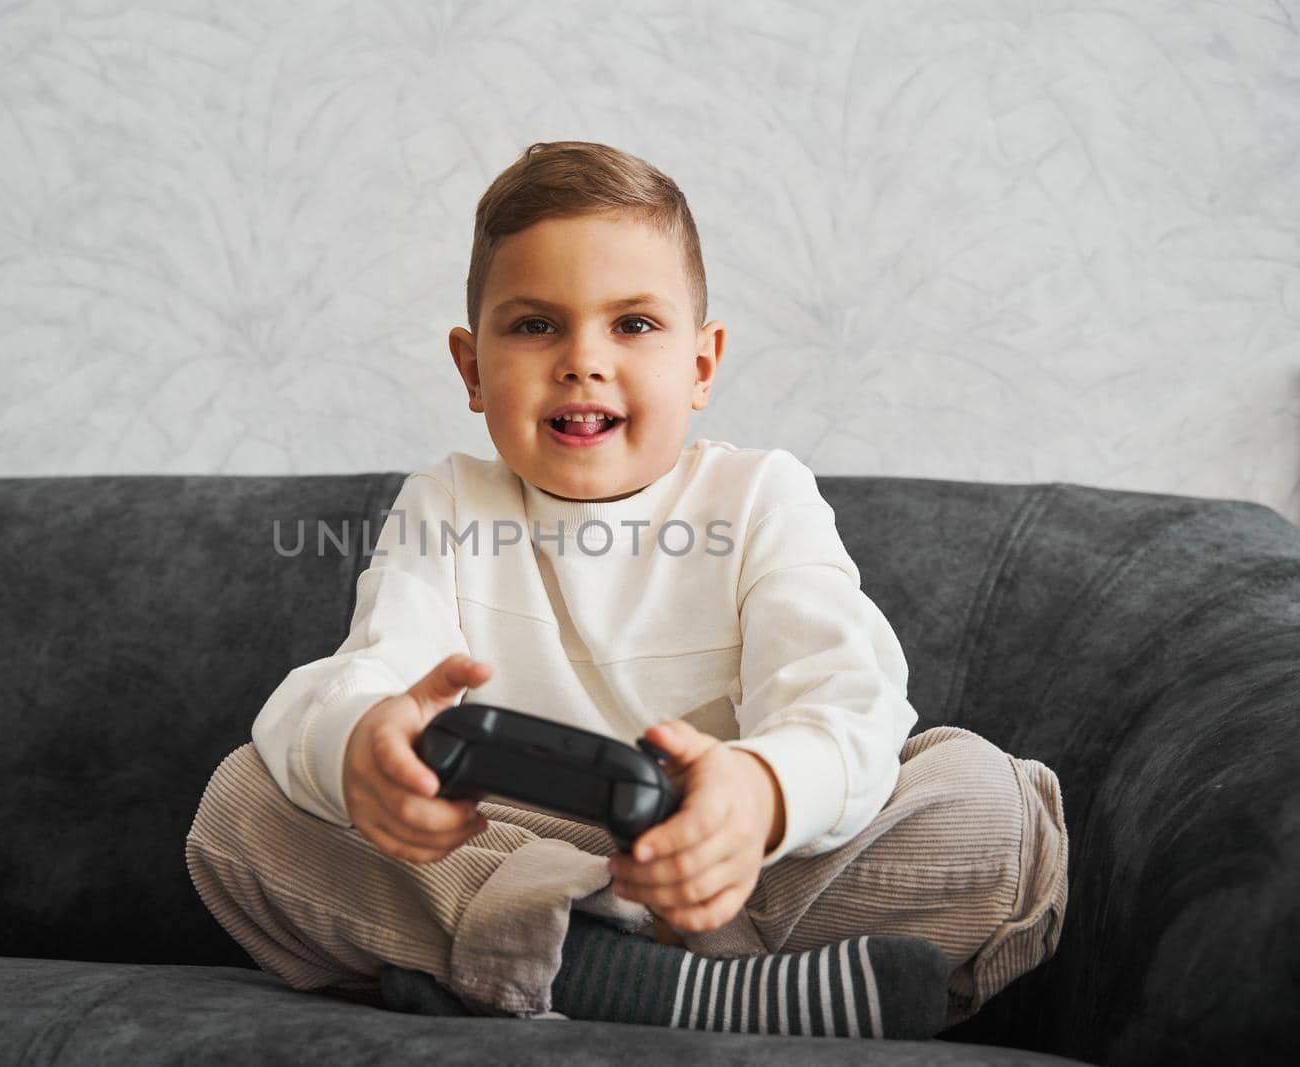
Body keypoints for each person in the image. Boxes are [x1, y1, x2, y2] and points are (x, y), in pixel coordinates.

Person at [185, 140, 1068, 1039]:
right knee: (247, 801)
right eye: (535, 325)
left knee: (994, 808)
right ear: (471, 367)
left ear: (702, 363)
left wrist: (760, 795)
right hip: (505, 847)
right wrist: (365, 749)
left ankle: (539, 968)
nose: (583, 360)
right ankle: (667, 979)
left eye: (634, 324)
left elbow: (844, 696)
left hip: (727, 858)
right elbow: (371, 675)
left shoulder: (759, 494)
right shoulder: (449, 502)